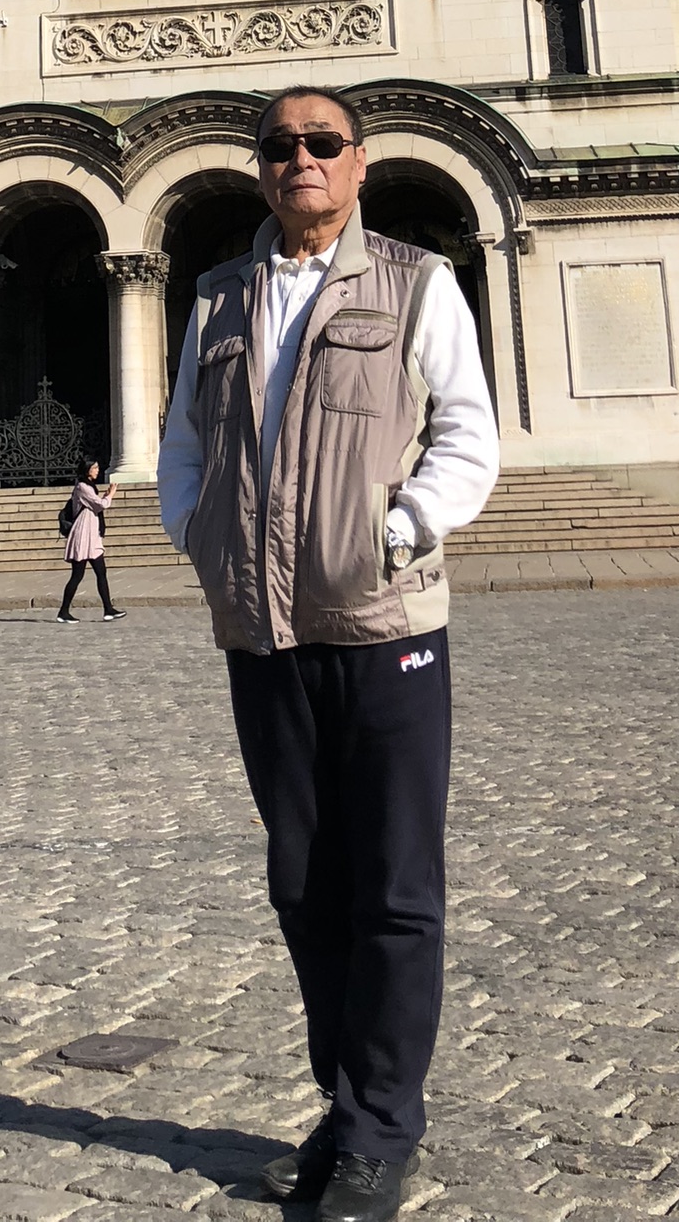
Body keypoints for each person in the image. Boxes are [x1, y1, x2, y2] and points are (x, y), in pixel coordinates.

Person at [158, 87, 498, 1222]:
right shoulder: (217, 298)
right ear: (259, 170)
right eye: (278, 146)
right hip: (261, 629)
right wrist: (202, 540)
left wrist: (394, 531)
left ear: (361, 163)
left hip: (387, 625)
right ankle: (349, 1108)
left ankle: (380, 1130)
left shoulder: (416, 279)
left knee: (396, 885)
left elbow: (467, 434)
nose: (299, 159)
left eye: (321, 143)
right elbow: (181, 451)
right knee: (305, 881)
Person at [57, 458, 123, 623]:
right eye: (94, 467)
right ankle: (63, 611)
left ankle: (108, 609)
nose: (97, 470)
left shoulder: (89, 487)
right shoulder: (82, 487)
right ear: (86, 469)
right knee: (77, 575)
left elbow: (97, 504)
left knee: (101, 572)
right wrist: (110, 496)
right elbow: (100, 504)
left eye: (97, 467)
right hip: (83, 536)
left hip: (92, 536)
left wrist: (105, 496)